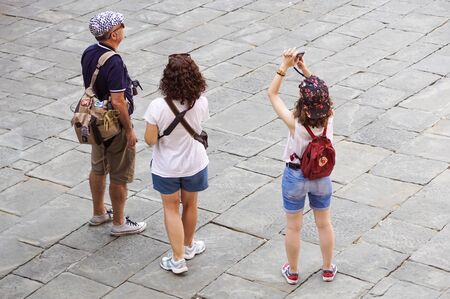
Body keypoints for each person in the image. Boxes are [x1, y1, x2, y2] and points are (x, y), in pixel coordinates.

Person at [267, 48, 337, 284]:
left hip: (295, 177)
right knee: (324, 223)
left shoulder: (294, 122)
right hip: (321, 176)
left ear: (304, 105)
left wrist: (285, 67)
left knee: (294, 227)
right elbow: (322, 92)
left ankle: (294, 271)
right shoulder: (330, 117)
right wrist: (306, 71)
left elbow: (272, 93)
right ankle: (327, 268)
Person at [143, 53, 209, 274]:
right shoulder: (201, 102)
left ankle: (178, 259)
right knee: (191, 205)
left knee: (171, 208)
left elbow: (150, 140)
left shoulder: (156, 106)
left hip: (166, 166)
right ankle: (189, 246)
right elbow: (199, 127)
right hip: (194, 162)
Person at [82, 11, 146, 236]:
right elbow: (118, 101)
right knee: (119, 173)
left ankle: (99, 212)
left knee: (98, 167)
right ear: (114, 33)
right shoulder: (114, 62)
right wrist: (129, 130)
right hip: (113, 124)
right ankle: (119, 222)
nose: (124, 29)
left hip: (95, 119)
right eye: (122, 26)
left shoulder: (89, 52)